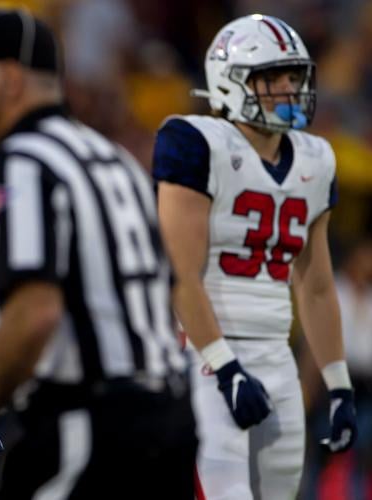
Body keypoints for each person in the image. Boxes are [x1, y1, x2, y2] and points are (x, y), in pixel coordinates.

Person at [0, 8, 197, 499]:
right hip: (169, 418)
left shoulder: (22, 164)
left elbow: (34, 312)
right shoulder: (114, 159)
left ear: (10, 78)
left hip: (87, 425)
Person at [152, 14, 358, 500]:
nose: (289, 88)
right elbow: (181, 273)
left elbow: (316, 284)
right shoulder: (196, 142)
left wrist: (338, 382)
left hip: (276, 355)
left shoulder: (315, 159)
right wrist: (224, 366)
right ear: (231, 81)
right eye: (273, 76)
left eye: (294, 76)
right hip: (203, 356)